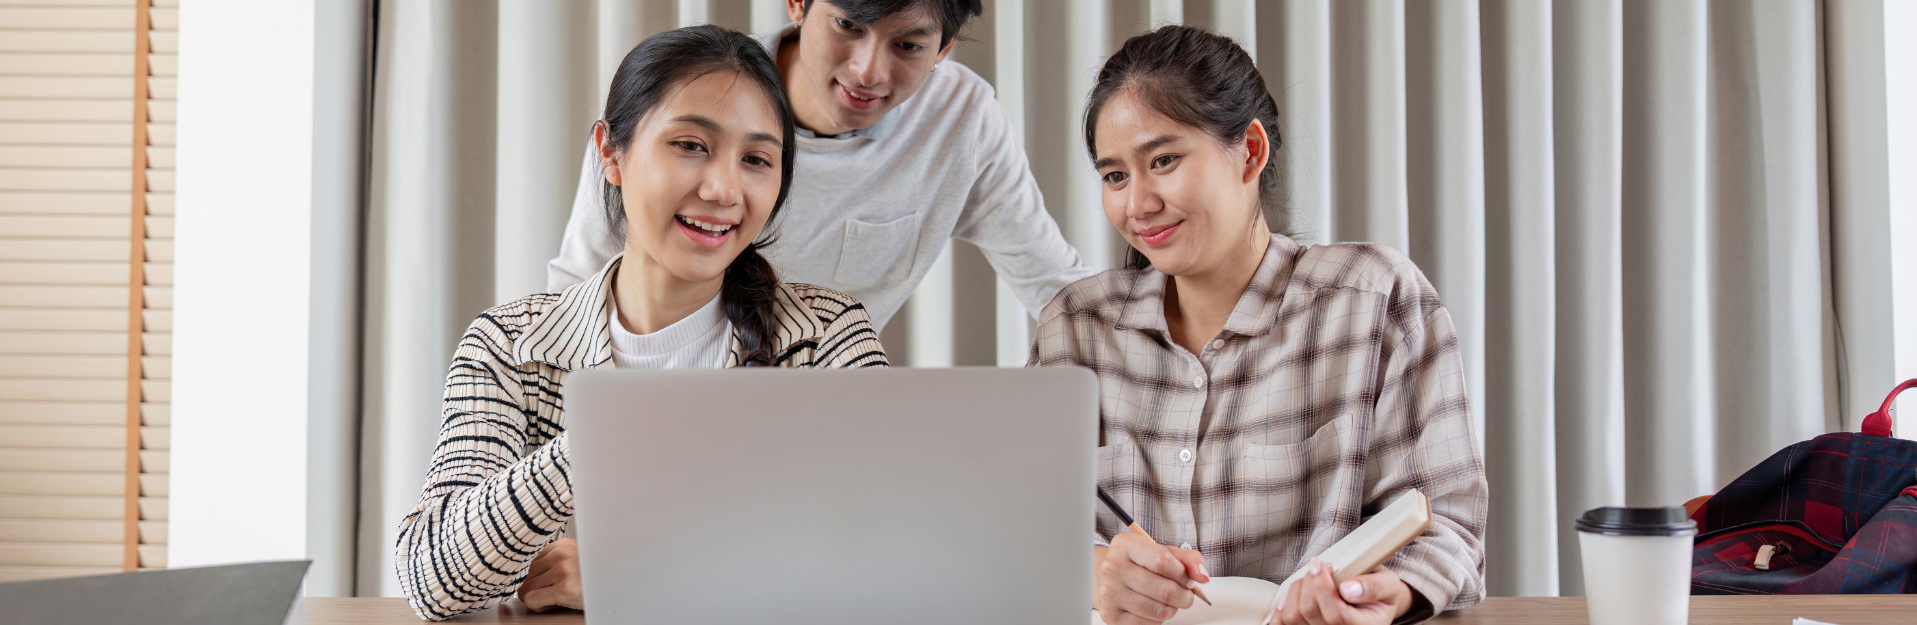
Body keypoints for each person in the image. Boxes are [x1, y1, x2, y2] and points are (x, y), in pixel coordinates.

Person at [393, 25, 886, 621]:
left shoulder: (827, 336)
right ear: (610, 152)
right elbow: (434, 581)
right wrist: (608, 432)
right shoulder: (510, 344)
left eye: (757, 159)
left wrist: (629, 573)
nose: (724, 188)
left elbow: (886, 564)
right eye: (691, 145)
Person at [1030, 25, 1488, 625]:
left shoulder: (1373, 298)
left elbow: (1449, 524)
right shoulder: (1076, 326)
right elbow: (1023, 531)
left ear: (1249, 151)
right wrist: (1093, 572)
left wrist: (1388, 593)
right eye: (1115, 176)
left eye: (1163, 160)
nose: (1137, 204)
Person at [546, 0, 1095, 330]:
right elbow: (575, 285)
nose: (867, 71)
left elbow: (1058, 292)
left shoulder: (963, 120)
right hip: (661, 396)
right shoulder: (690, 95)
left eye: (907, 45)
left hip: (820, 418)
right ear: (799, 1)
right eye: (848, 25)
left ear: (945, 46)